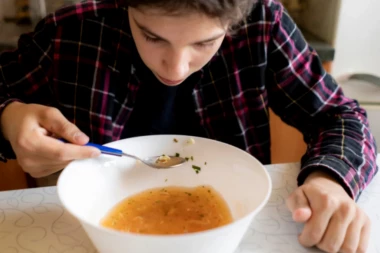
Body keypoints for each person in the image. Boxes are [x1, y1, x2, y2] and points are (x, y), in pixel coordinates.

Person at [0, 0, 377, 252]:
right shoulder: (72, 32)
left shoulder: (264, 23)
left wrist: (329, 180)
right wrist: (7, 118)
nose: (176, 67)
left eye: (205, 42)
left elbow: (340, 116)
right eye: (152, 36)